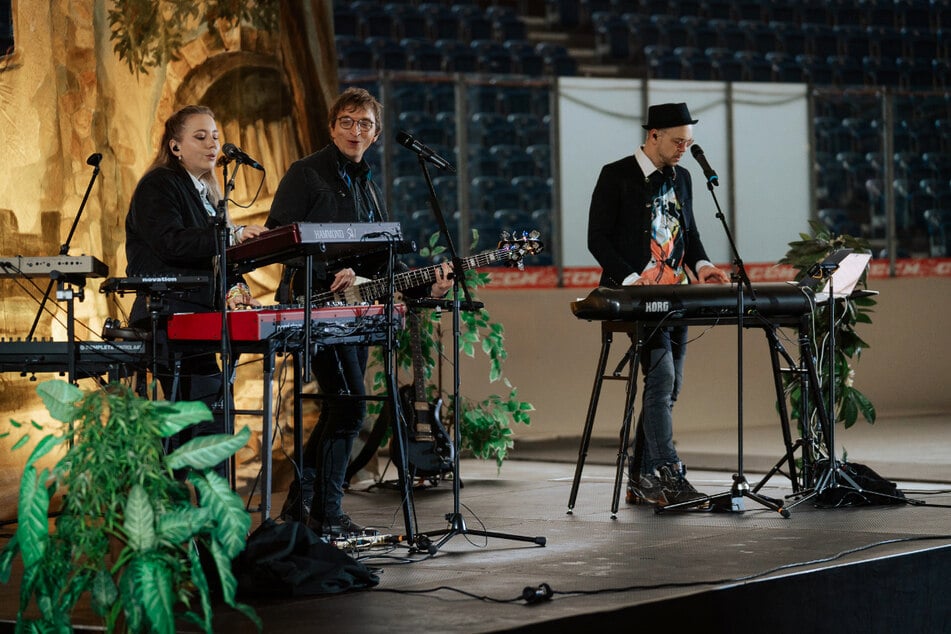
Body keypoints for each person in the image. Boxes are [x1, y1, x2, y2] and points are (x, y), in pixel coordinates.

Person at [266, 87, 453, 537]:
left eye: (365, 124)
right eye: (347, 122)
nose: (356, 131)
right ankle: (325, 513)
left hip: (354, 313)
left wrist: (430, 281)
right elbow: (275, 239)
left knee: (343, 409)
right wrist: (328, 266)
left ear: (377, 133)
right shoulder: (305, 173)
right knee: (348, 408)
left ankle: (303, 507)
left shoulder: (368, 186)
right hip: (312, 304)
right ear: (332, 127)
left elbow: (383, 259)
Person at [587, 102, 731, 508]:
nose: (684, 148)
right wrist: (634, 283)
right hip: (635, 298)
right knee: (663, 379)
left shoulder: (682, 178)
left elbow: (690, 233)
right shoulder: (615, 175)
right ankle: (668, 471)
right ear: (654, 136)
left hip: (676, 294)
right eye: (678, 141)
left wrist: (702, 266)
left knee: (671, 386)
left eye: (689, 142)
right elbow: (597, 239)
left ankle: (641, 479)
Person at [124, 104, 268, 464]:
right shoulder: (159, 185)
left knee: (209, 417)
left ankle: (200, 511)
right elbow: (172, 242)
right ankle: (196, 511)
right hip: (167, 318)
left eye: (216, 137)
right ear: (175, 147)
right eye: (201, 137)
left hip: (198, 321)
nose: (212, 145)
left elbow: (220, 260)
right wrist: (232, 236)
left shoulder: (208, 194)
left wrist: (238, 292)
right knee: (204, 419)